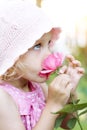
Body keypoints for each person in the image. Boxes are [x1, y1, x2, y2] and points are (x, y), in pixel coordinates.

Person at [0, 1, 84, 130]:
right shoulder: (3, 97)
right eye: (37, 46)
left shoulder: (38, 86)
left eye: (49, 43)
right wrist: (52, 105)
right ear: (12, 54)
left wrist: (69, 93)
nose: (49, 54)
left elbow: (67, 124)